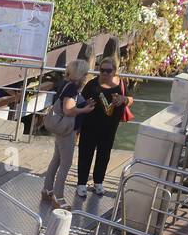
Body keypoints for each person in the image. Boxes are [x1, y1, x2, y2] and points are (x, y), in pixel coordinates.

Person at [40, 59, 95, 210]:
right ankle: (58, 197)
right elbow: (68, 110)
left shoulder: (65, 84)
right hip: (67, 131)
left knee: (56, 159)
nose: (86, 76)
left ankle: (47, 190)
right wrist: (84, 110)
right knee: (66, 163)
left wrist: (83, 103)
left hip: (61, 128)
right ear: (81, 74)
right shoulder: (72, 89)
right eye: (85, 73)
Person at [76, 56, 133, 197]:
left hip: (109, 128)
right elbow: (80, 101)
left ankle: (98, 182)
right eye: (102, 70)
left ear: (115, 71)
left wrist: (124, 99)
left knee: (104, 155)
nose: (105, 74)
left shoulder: (121, 84)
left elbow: (130, 99)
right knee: (85, 154)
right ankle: (81, 184)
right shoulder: (92, 84)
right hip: (90, 126)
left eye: (109, 70)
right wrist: (86, 104)